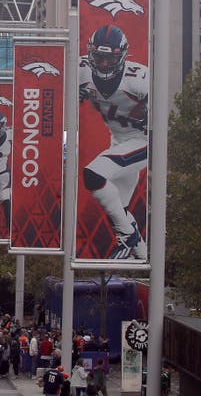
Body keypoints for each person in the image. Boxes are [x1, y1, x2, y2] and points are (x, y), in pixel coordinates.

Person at [79, 24, 150, 259]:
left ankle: (127, 237)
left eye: (110, 59)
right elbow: (54, 102)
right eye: (99, 57)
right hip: (118, 143)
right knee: (119, 210)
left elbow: (166, 114)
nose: (103, 64)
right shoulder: (80, 71)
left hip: (144, 141)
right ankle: (142, 255)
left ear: (122, 56)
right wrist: (71, 96)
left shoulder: (139, 78)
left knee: (93, 175)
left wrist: (151, 115)